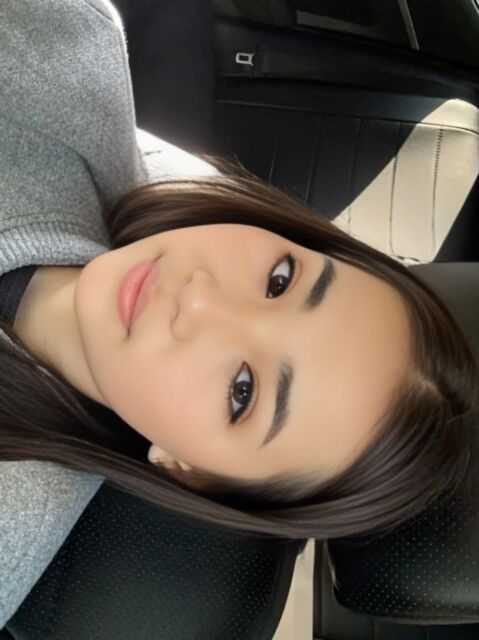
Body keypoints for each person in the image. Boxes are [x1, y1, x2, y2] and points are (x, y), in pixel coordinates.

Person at [0, 0, 477, 627]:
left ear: (189, 471)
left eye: (243, 391)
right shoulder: (70, 55)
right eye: (281, 281)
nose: (199, 300)